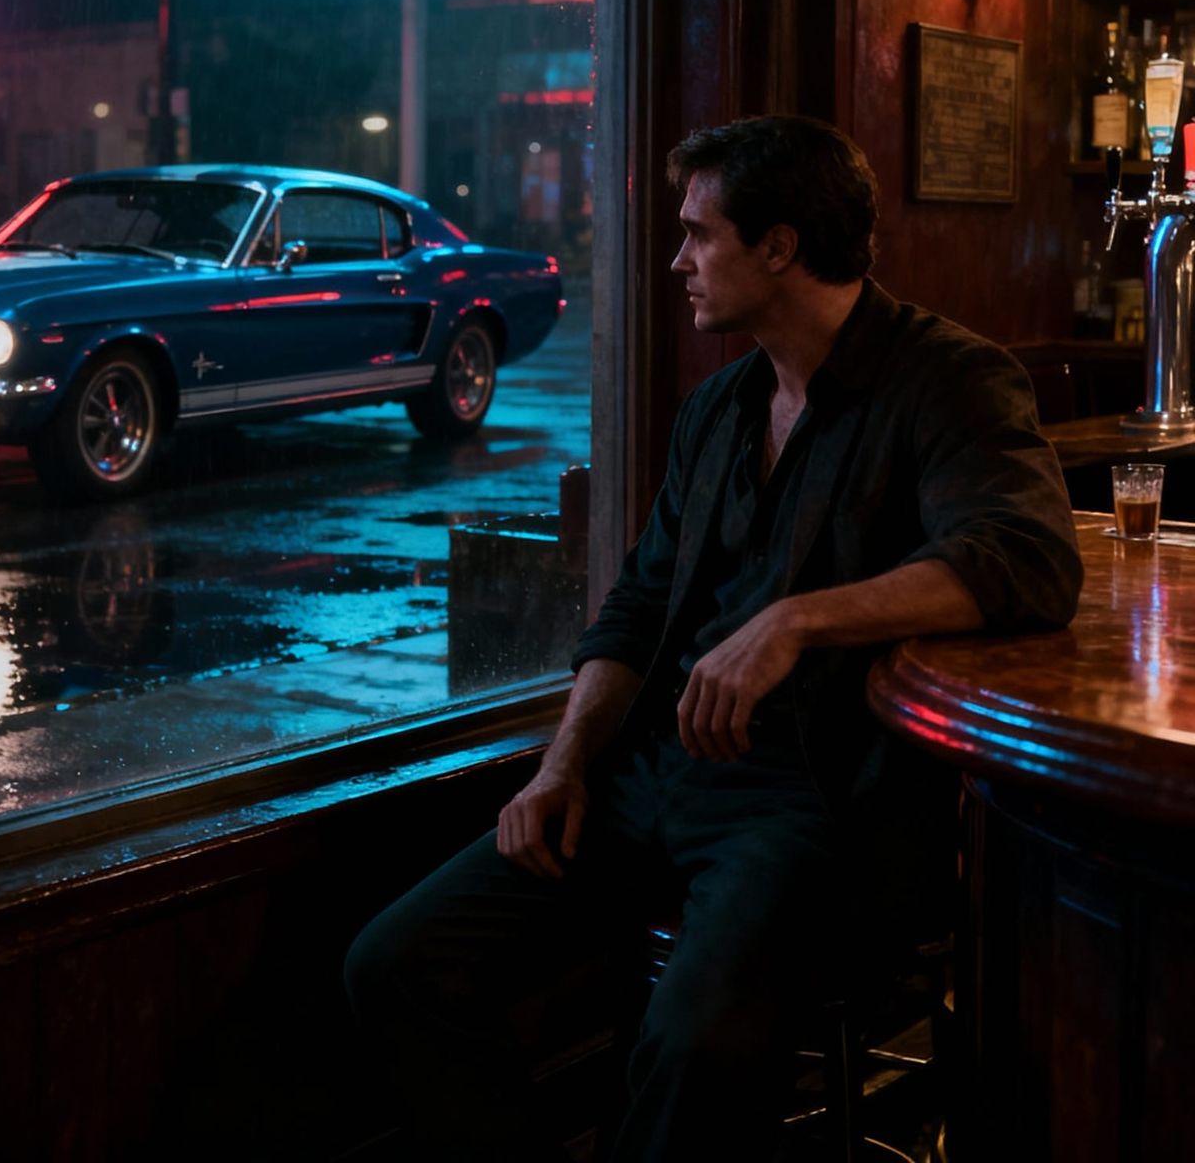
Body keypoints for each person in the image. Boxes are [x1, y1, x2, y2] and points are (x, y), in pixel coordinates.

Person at [344, 115, 1082, 1161]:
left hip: (813, 801)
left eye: (699, 233)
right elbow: (638, 606)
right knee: (393, 964)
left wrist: (793, 620)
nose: (679, 260)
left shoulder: (949, 379)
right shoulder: (719, 405)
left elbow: (1029, 558)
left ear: (778, 246)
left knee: (693, 1046)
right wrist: (564, 765)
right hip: (649, 774)